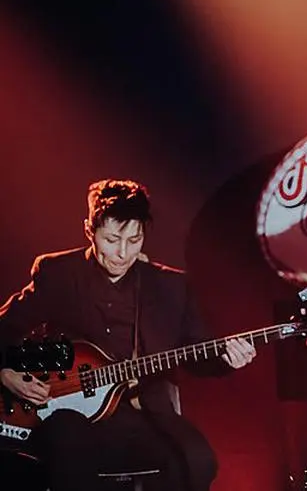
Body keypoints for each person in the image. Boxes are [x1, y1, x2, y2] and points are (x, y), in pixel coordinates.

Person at [0, 179, 257, 491]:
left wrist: (228, 358)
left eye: (134, 240)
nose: (122, 253)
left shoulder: (169, 286)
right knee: (70, 453)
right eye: (111, 240)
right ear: (89, 231)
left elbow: (197, 350)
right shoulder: (58, 273)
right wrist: (6, 373)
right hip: (66, 410)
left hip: (142, 412)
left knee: (199, 460)